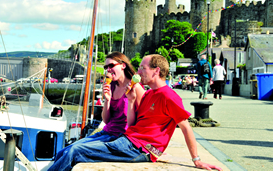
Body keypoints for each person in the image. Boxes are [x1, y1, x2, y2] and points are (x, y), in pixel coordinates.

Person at [48, 54, 223, 171]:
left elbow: (186, 127)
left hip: (141, 149)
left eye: (142, 68)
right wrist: (131, 101)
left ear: (156, 71)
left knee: (75, 152)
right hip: (127, 141)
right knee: (67, 151)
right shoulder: (148, 94)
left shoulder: (169, 96)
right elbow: (132, 125)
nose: (138, 72)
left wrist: (196, 159)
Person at [48, 52, 145, 170]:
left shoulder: (136, 88)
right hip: (106, 132)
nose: (108, 70)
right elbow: (106, 120)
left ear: (123, 65)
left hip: (119, 137)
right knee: (63, 151)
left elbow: (139, 121)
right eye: (106, 67)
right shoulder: (112, 86)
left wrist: (131, 100)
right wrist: (107, 100)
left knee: (73, 151)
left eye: (111, 66)